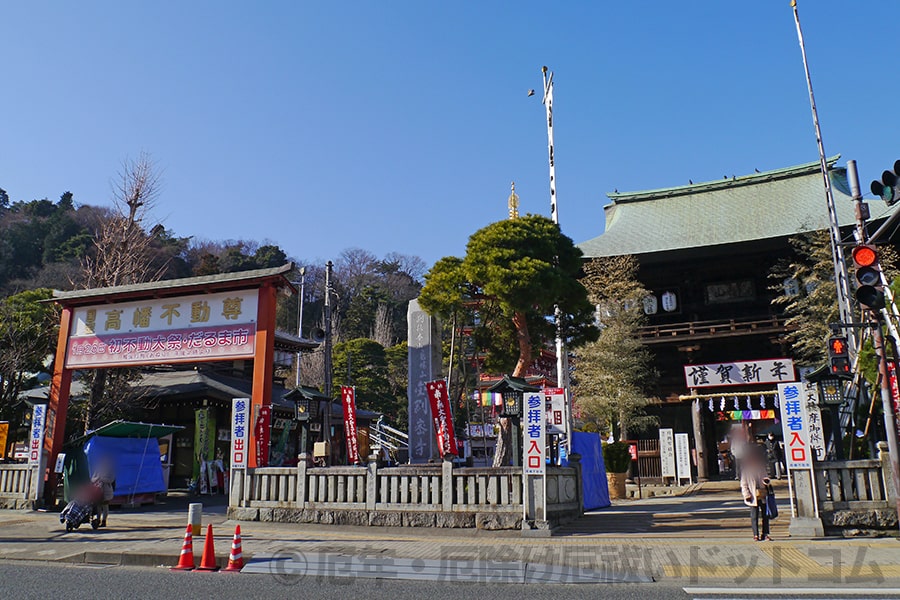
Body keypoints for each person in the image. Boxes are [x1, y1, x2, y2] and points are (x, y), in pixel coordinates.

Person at [740, 444, 771, 541]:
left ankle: (765, 533)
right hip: (753, 495)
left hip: (762, 493)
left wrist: (766, 481)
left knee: (765, 515)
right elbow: (743, 484)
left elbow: (766, 478)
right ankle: (755, 534)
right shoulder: (746, 471)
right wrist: (746, 495)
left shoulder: (761, 467)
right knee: (754, 516)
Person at [91, 457, 116, 528]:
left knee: (105, 506)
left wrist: (102, 479)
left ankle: (104, 520)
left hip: (106, 490)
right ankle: (98, 519)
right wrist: (97, 479)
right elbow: (93, 479)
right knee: (98, 506)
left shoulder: (111, 470)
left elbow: (111, 479)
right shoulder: (98, 469)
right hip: (97, 490)